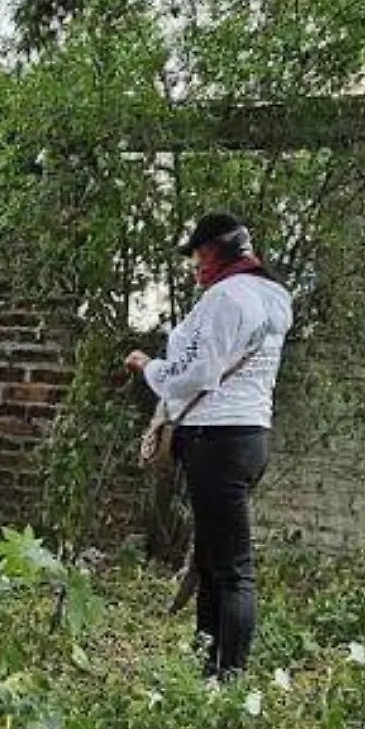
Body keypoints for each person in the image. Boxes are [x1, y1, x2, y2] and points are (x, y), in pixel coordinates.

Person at [124, 212, 292, 679]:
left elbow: (197, 375)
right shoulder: (275, 296)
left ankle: (227, 678)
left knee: (233, 569)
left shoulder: (224, 297)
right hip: (251, 437)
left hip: (216, 440)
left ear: (217, 251)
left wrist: (149, 368)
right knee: (214, 560)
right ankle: (210, 665)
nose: (196, 267)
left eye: (198, 256)